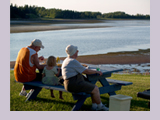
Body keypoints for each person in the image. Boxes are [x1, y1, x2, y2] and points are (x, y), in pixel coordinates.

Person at [61, 45, 109, 111]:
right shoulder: (72, 61)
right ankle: (100, 106)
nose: (78, 51)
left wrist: (89, 69)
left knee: (92, 87)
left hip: (68, 84)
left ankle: (94, 107)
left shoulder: (66, 60)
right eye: (76, 50)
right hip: (74, 84)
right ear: (74, 52)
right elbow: (86, 71)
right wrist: (96, 71)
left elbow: (81, 69)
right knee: (95, 89)